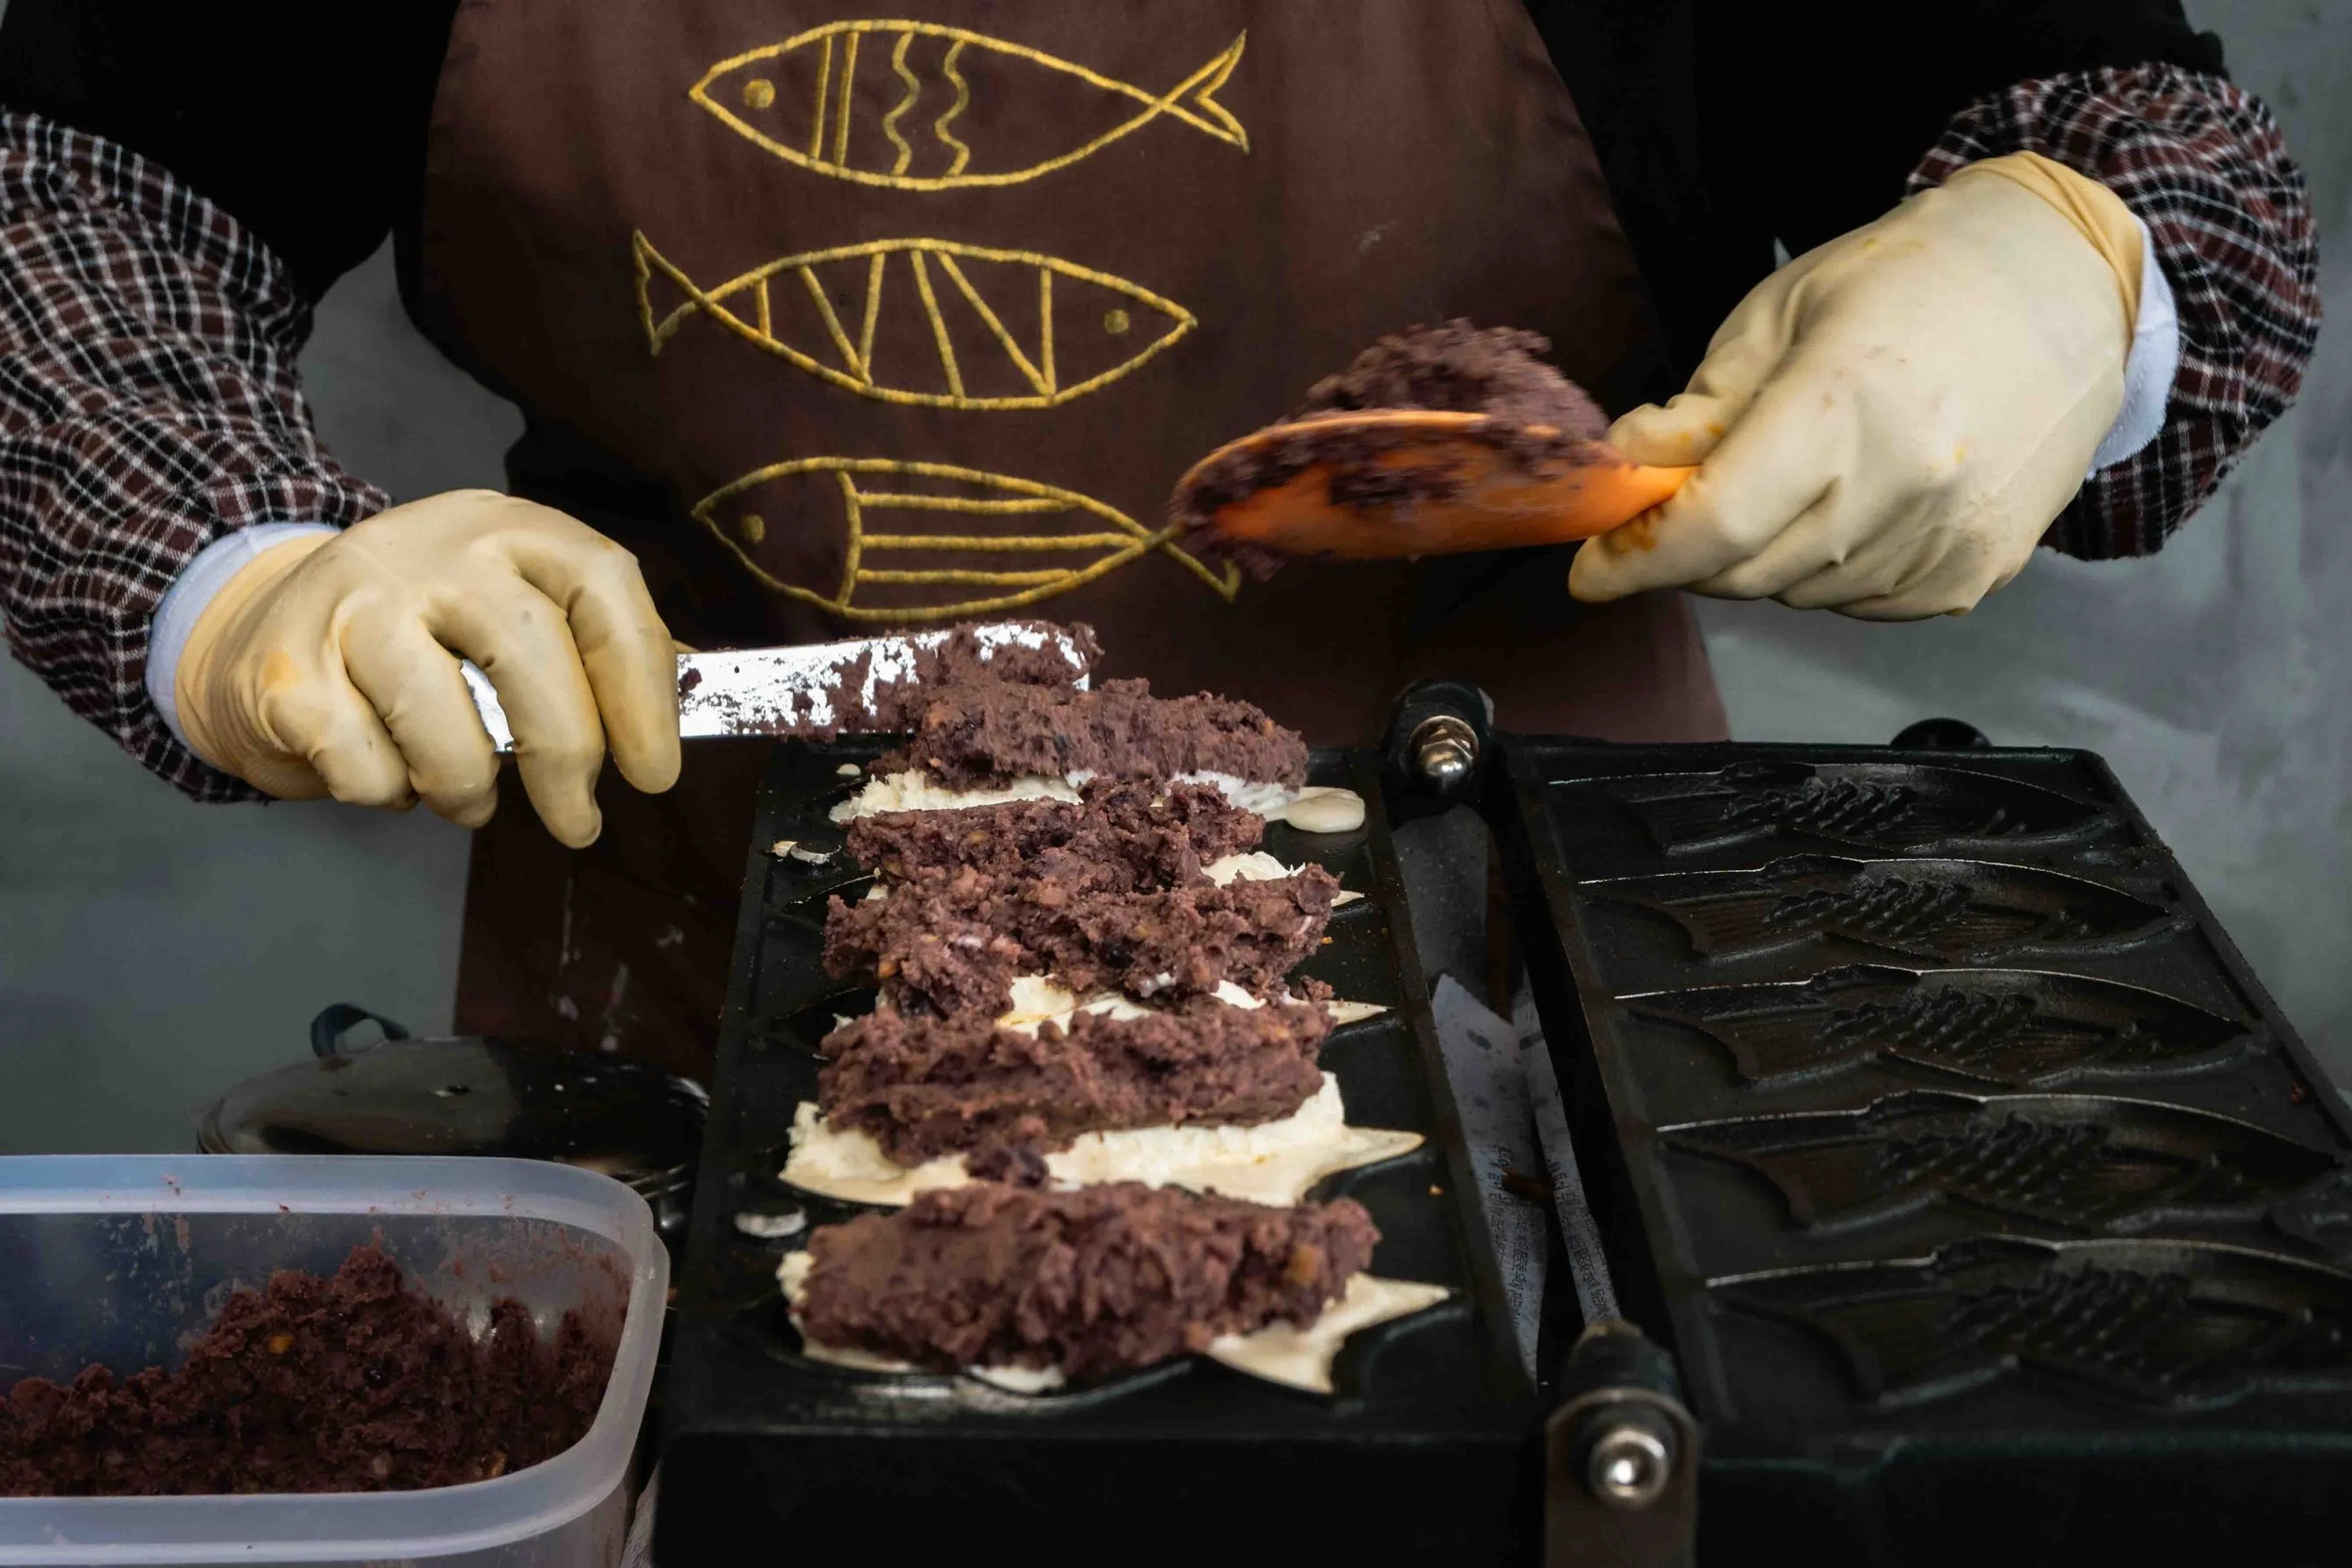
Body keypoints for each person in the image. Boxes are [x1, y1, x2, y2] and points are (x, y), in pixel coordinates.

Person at [0, 3, 2317, 1077]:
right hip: (692, 1009)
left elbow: (2151, 131)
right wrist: (246, 572)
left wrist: (2075, 275)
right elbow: (65, 178)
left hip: (1505, 994)